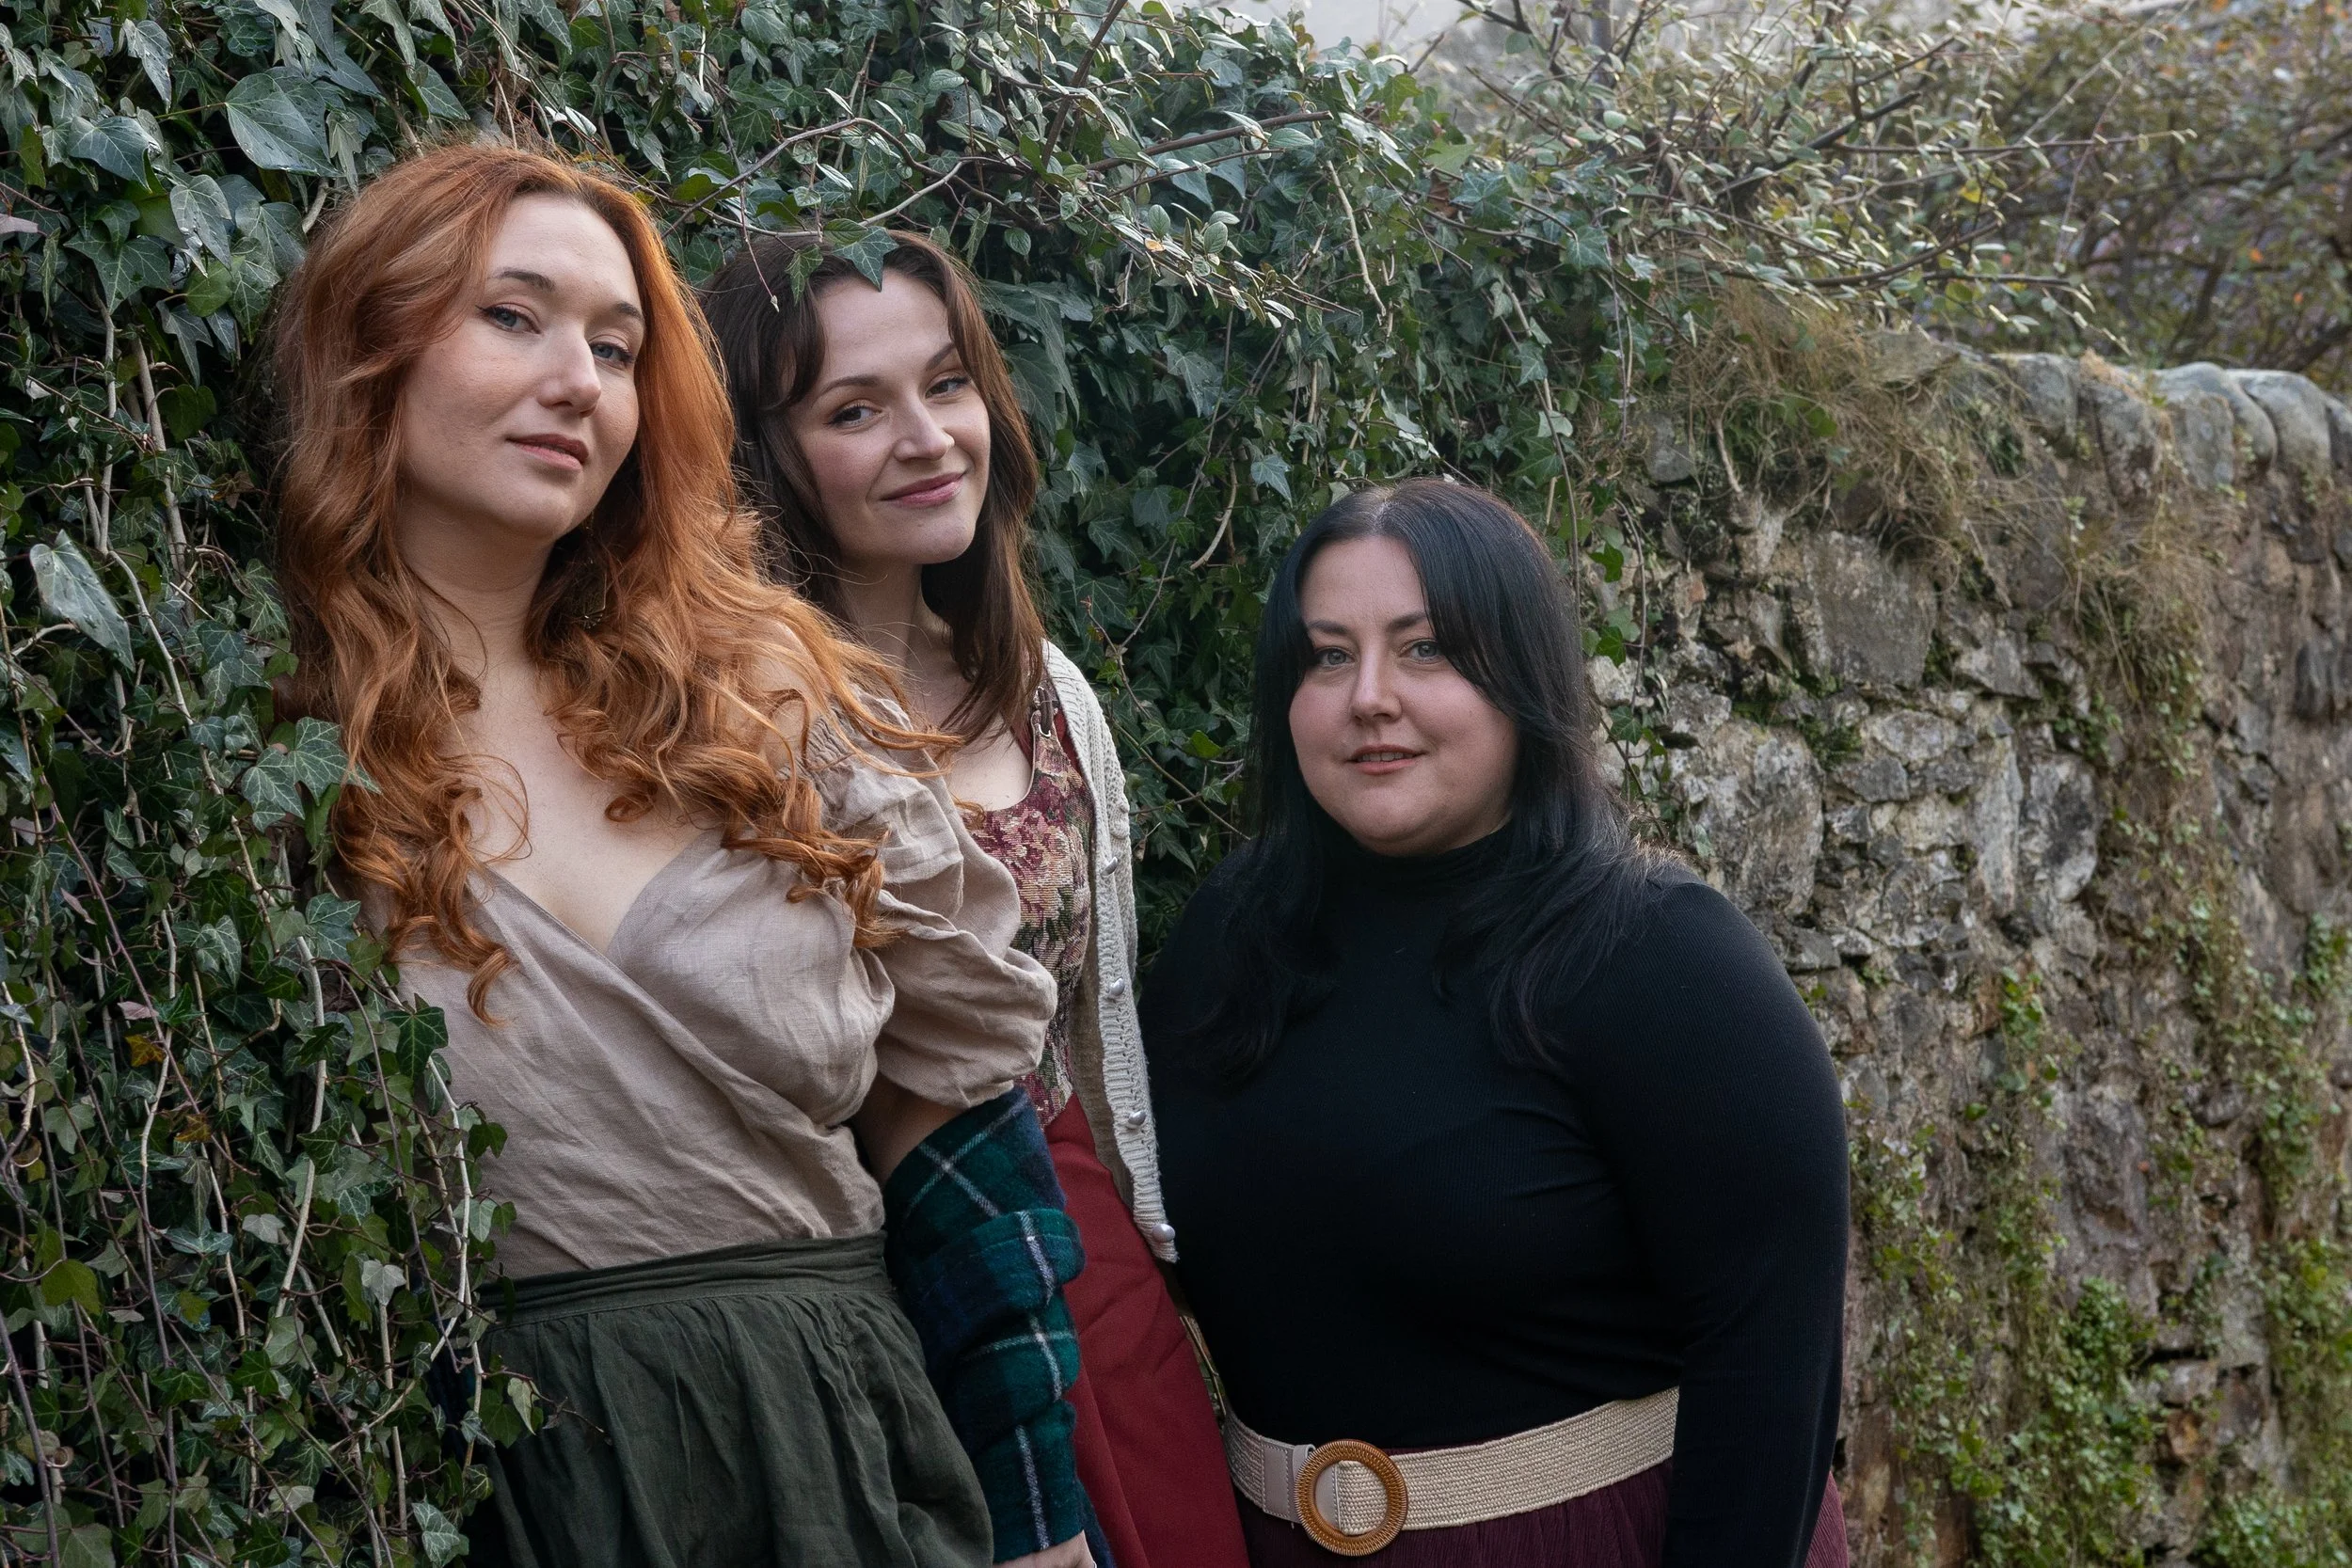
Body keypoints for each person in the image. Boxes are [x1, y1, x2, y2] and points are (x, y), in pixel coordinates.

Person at [268, 142, 1092, 1568]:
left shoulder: (763, 700)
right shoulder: (263, 747)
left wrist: (1039, 1524)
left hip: (846, 1455)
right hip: (510, 1485)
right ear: (369, 344)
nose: (579, 381)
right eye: (513, 317)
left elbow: (956, 1143)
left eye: (616, 347)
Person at [1139, 480, 1851, 1566]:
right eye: (1327, 656)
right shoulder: (1227, 941)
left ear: (1522, 675)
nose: (1368, 697)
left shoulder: (1662, 961)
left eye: (1423, 648)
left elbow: (1771, 1363)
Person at [702, 230, 1250, 1568]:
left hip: (1088, 1258)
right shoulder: (740, 729)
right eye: (853, 409)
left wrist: (1152, 1248)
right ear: (764, 453)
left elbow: (1093, 1038)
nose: (927, 438)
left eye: (946, 384)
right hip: (885, 1279)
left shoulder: (1047, 692)